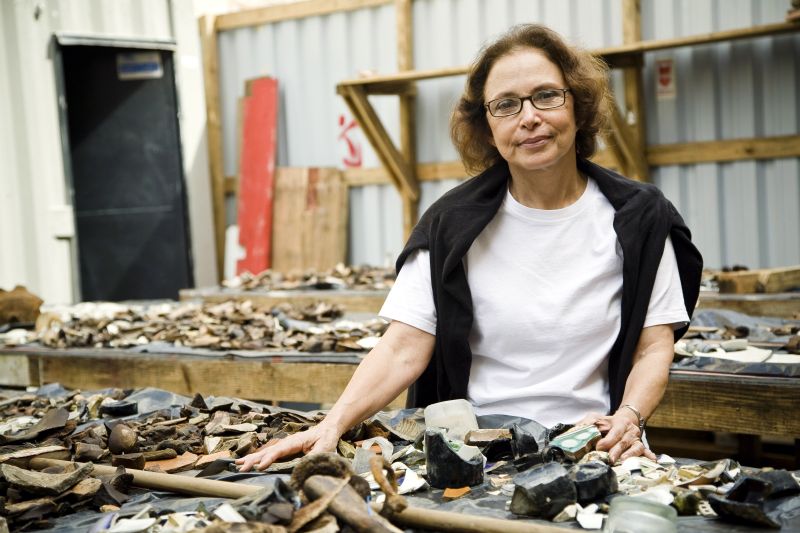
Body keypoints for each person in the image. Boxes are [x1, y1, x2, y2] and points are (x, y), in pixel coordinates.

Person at [237, 24, 702, 472]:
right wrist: (331, 424)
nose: (529, 118)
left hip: (596, 446)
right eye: (506, 105)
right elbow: (401, 348)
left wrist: (629, 417)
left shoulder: (638, 218)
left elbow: (652, 349)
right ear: (487, 126)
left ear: (577, 107)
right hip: (480, 451)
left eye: (546, 96)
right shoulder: (450, 225)